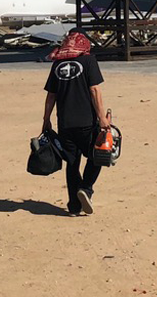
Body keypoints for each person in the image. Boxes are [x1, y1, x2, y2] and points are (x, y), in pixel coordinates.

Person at [41, 30, 111, 216]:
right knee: (97, 157)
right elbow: (94, 90)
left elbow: (51, 96)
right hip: (86, 122)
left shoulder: (57, 63)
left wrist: (46, 119)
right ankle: (86, 188)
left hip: (65, 123)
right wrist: (102, 117)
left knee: (72, 164)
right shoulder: (88, 61)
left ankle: (74, 206)